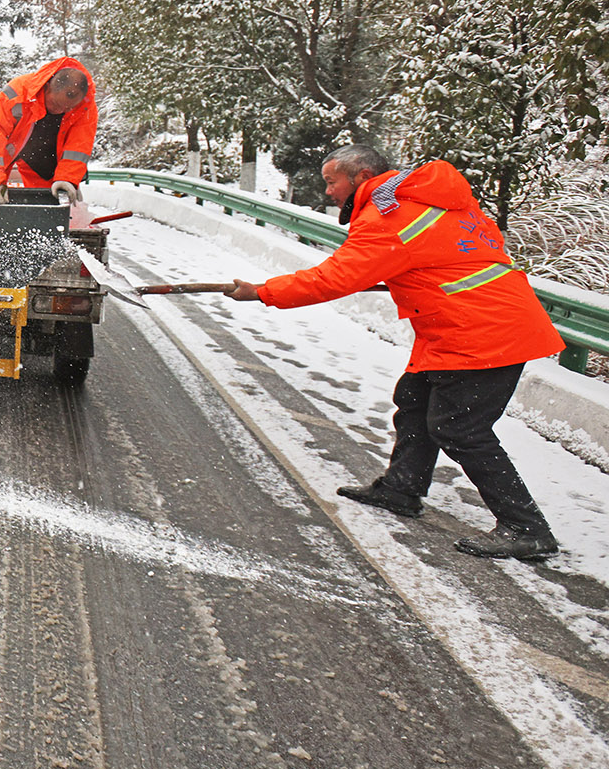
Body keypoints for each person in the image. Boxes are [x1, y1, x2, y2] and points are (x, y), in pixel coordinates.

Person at [225, 144, 565, 560]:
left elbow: (335, 277)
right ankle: (402, 488)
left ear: (361, 176)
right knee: (415, 399)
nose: (329, 192)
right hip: (473, 322)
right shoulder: (424, 200)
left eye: (332, 182)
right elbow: (442, 259)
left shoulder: (389, 216)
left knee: (460, 428)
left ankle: (526, 528)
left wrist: (263, 291)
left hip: (482, 332)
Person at [0, 57, 98, 205]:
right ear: (47, 88)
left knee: (50, 208)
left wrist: (68, 180)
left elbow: (78, 148)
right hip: (9, 148)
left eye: (68, 109)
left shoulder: (86, 108)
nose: (60, 111)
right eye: (56, 104)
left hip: (47, 159)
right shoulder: (18, 91)